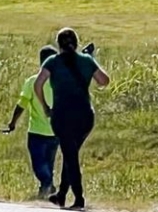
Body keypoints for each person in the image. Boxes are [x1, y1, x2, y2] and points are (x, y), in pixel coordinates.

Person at [34, 28, 110, 211]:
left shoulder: (52, 62)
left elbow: (38, 84)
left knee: (70, 155)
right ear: (76, 43)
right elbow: (104, 81)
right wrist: (90, 60)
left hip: (62, 115)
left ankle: (78, 198)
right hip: (85, 116)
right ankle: (61, 195)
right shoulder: (86, 60)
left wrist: (45, 107)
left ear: (58, 45)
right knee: (71, 153)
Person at [5, 45, 59, 197]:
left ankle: (47, 184)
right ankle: (47, 187)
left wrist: (13, 122)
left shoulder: (33, 81)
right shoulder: (60, 82)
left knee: (39, 163)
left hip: (36, 131)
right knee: (48, 162)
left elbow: (21, 105)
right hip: (55, 132)